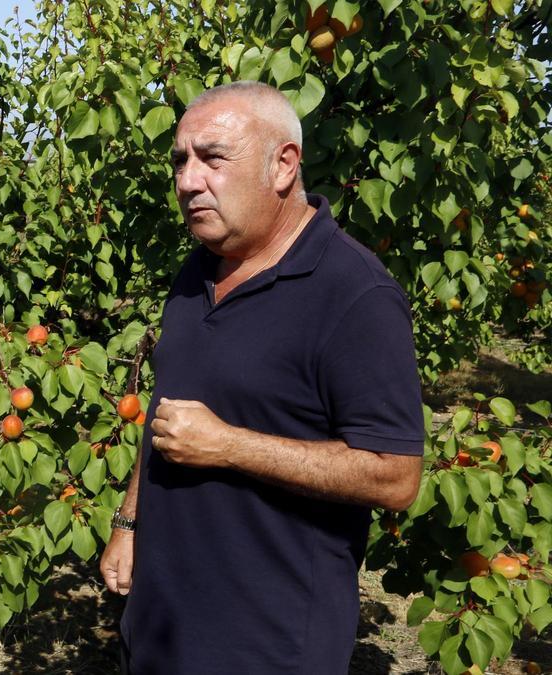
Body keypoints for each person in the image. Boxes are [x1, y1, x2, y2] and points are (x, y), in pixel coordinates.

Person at [99, 81, 425, 673]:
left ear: (283, 166)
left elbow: (395, 476)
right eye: (181, 161)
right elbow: (166, 411)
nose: (188, 180)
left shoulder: (355, 294)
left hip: (266, 646)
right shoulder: (197, 270)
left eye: (213, 158)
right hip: (158, 629)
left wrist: (230, 447)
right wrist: (129, 520)